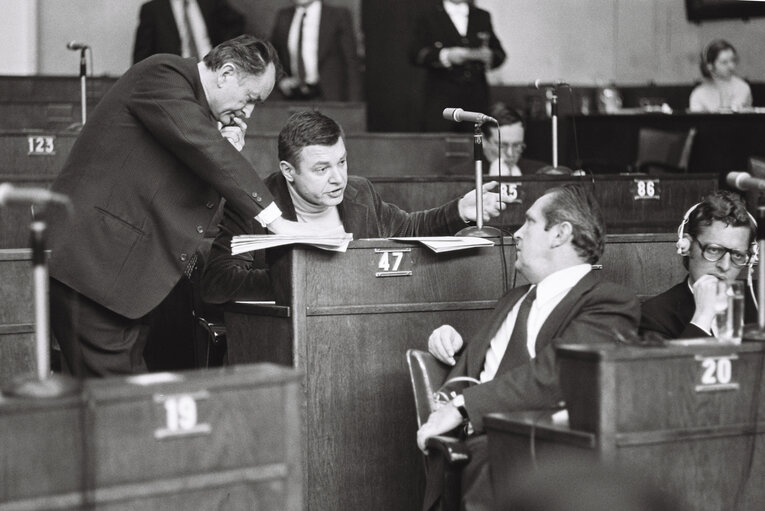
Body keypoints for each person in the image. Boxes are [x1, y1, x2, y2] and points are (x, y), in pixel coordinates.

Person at [48, 35, 328, 378]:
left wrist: (227, 151)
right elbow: (202, 146)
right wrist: (277, 221)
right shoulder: (163, 74)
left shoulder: (199, 119)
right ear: (225, 72)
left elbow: (184, 182)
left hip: (126, 283)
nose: (249, 112)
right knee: (119, 408)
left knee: (113, 408)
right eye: (250, 98)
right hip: (95, 270)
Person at [416, 184, 640, 511]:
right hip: (471, 454)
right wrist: (455, 343)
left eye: (529, 222)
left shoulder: (608, 302)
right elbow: (490, 368)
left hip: (537, 457)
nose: (517, 234)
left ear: (560, 233)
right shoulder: (513, 299)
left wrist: (463, 407)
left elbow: (561, 371)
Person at [200, 110, 511, 304]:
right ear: (288, 171)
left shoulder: (359, 193)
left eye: (342, 161)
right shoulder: (255, 203)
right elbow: (217, 281)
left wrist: (460, 210)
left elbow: (408, 228)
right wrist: (305, 278)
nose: (338, 178)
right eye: (322, 169)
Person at [640, 190, 757, 339]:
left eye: (738, 255)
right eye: (714, 250)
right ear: (687, 246)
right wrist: (702, 317)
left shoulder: (759, 303)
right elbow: (674, 363)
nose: (725, 266)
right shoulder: (654, 315)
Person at [409, 0, 506, 132]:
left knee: (476, 144)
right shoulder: (428, 15)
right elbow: (415, 54)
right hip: (440, 98)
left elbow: (500, 54)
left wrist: (490, 56)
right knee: (439, 144)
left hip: (476, 96)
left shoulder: (481, 16)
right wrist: (446, 55)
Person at [269, 0, 362, 101]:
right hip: (294, 97)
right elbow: (272, 55)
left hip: (331, 97)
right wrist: (281, 79)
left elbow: (351, 63)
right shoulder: (283, 16)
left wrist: (354, 106)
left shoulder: (337, 15)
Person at [133, 0, 245, 64]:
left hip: (211, 68)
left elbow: (236, 22)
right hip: (175, 76)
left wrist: (223, 54)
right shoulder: (152, 10)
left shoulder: (210, 2)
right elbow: (141, 56)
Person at [482, 103, 547, 177]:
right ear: (483, 141)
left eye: (517, 145)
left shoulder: (540, 174)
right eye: (502, 145)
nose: (510, 154)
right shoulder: (467, 177)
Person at [689, 39, 752, 113]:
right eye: (724, 62)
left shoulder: (742, 87)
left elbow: (731, 119)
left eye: (733, 60)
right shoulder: (698, 94)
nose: (731, 66)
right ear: (710, 66)